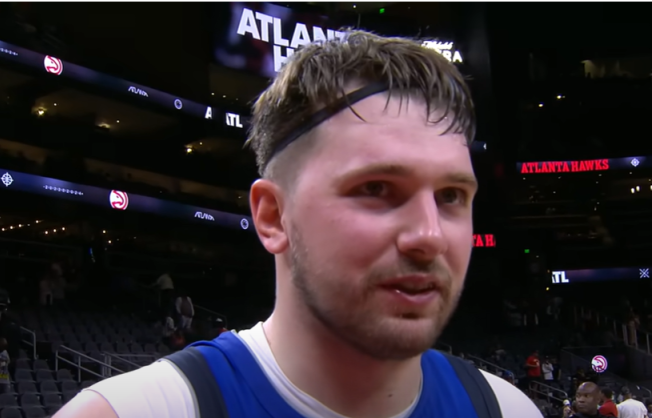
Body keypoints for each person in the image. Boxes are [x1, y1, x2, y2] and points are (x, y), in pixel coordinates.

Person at [54, 30, 541, 418]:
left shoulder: (508, 410)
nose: (429, 236)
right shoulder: (137, 411)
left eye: (451, 196)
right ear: (273, 216)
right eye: (376, 188)